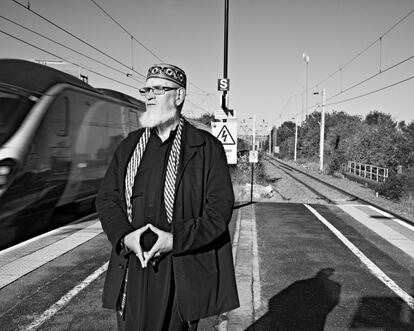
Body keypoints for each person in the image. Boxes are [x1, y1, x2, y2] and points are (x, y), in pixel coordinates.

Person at [96, 63, 239, 331]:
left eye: (158, 89)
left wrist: (176, 240)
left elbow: (219, 210)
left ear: (179, 95)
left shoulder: (206, 148)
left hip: (180, 269)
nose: (148, 95)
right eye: (146, 89)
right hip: (133, 267)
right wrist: (125, 237)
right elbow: (107, 200)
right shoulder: (129, 146)